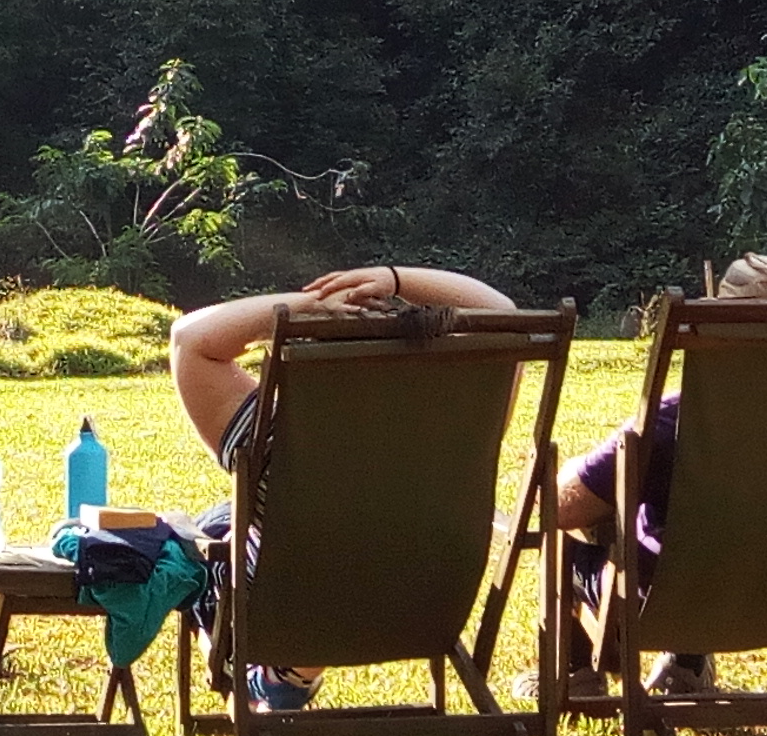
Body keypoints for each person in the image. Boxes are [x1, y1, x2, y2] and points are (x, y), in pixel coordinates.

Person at [166, 263, 520, 709]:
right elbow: (503, 311)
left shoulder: (276, 438)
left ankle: (279, 674)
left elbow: (189, 337)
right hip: (425, 604)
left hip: (296, 609)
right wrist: (393, 279)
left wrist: (314, 304)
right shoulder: (467, 424)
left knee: (206, 536)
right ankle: (287, 675)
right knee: (228, 518)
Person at [553, 254, 767, 690]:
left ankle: (579, 678)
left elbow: (561, 510)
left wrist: (569, 469)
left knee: (572, 548)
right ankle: (685, 669)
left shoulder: (673, 422)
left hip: (675, 605)